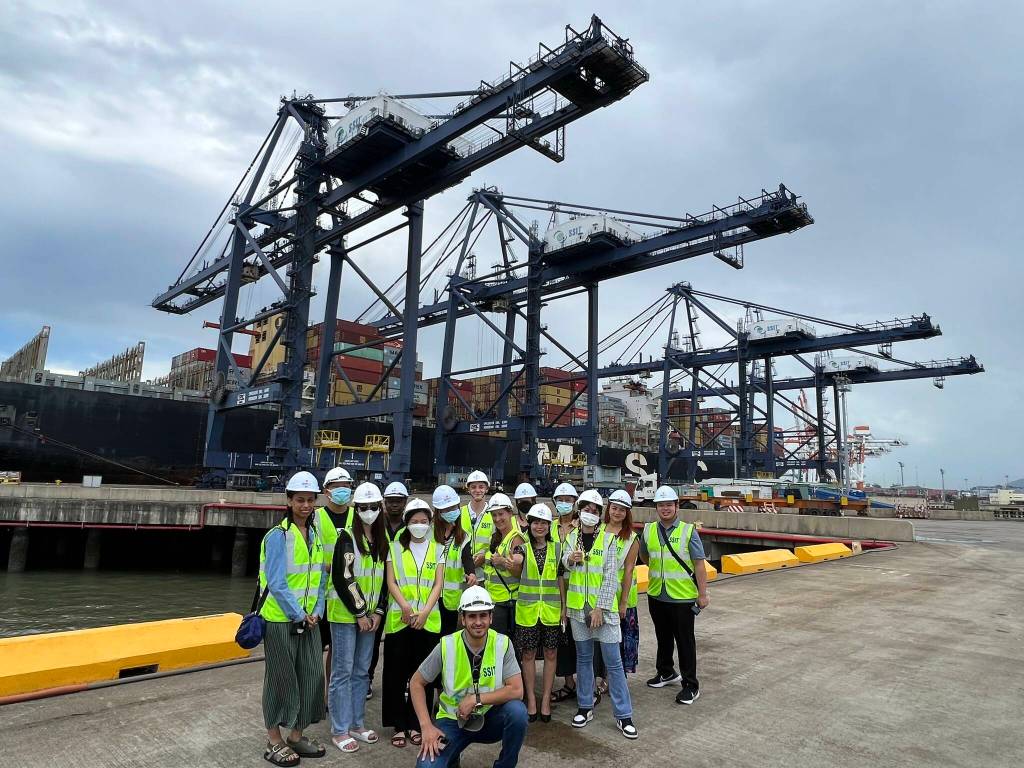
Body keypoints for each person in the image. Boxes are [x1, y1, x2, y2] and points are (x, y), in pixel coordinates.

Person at [410, 586, 527, 768]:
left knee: (518, 712)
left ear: (491, 617)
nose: (478, 622)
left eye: (483, 615)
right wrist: (426, 727)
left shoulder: (502, 643)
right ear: (462, 619)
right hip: (452, 721)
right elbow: (416, 682)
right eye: (472, 616)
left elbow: (517, 690)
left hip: (490, 718)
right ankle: (452, 755)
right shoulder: (447, 645)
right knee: (427, 766)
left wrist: (476, 699)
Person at [258, 471, 328, 766]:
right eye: (300, 500)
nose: (305, 505)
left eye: (310, 500)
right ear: (289, 500)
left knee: (312, 677)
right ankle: (274, 740)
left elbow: (321, 579)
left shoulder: (315, 536)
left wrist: (318, 611)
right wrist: (300, 614)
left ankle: (297, 736)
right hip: (279, 621)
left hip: (309, 620)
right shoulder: (278, 536)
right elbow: (276, 582)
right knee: (280, 679)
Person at [563, 489, 638, 739]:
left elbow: (610, 576)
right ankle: (585, 706)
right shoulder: (572, 536)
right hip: (576, 608)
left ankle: (623, 715)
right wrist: (569, 560)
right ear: (580, 511)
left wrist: (601, 608)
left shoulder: (608, 540)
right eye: (586, 510)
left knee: (613, 662)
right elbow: (564, 566)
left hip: (602, 610)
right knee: (583, 659)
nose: (590, 514)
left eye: (594, 511)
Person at [327, 481, 388, 753]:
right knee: (342, 672)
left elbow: (386, 580)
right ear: (356, 508)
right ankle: (339, 729)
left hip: (370, 617)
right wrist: (361, 611)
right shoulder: (346, 538)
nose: (369, 511)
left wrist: (377, 612)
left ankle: (356, 723)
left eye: (374, 507)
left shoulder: (382, 540)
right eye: (364, 507)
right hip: (345, 616)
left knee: (362, 672)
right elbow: (343, 577)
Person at [383, 498, 444, 749]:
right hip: (401, 619)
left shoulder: (438, 548)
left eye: (423, 521)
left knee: (424, 676)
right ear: (406, 523)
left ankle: (418, 722)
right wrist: (407, 607)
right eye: (414, 521)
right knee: (397, 673)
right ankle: (398, 724)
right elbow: (391, 582)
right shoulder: (394, 548)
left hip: (428, 622)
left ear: (430, 523)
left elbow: (438, 584)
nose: (419, 525)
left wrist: (426, 611)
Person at [640, 485, 710, 705]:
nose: (665, 509)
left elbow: (699, 564)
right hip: (656, 594)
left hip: (682, 597)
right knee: (663, 637)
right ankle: (666, 672)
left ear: (677, 506)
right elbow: (644, 555)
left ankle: (691, 685)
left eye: (669, 504)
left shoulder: (689, 531)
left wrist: (702, 594)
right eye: (661, 505)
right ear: (656, 508)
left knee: (685, 641)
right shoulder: (649, 529)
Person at [514, 503, 564, 723]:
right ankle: (532, 701)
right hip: (527, 611)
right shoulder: (521, 548)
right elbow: (515, 562)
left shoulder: (557, 548)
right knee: (528, 655)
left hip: (551, 611)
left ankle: (545, 700)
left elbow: (560, 578)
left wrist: (564, 607)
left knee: (551, 654)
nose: (540, 526)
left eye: (544, 523)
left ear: (549, 525)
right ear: (530, 524)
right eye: (536, 522)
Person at [367, 479, 410, 699]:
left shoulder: (410, 527)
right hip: (377, 590)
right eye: (390, 501)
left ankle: (403, 681)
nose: (394, 505)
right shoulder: (375, 524)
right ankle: (367, 679)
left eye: (398, 501)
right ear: (384, 503)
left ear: (405, 502)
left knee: (400, 642)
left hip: (401, 592)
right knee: (372, 640)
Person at [316, 467, 354, 660]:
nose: (342, 490)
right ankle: (315, 690)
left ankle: (331, 692)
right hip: (320, 596)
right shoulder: (315, 518)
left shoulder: (357, 516)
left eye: (345, 486)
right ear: (326, 491)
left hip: (347, 596)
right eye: (336, 486)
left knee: (338, 653)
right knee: (314, 650)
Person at [604, 489, 641, 675]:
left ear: (627, 513)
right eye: (614, 508)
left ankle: (616, 679)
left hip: (621, 598)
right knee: (604, 642)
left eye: (622, 510)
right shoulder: (598, 531)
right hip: (601, 596)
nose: (617, 512)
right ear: (608, 508)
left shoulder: (631, 538)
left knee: (621, 641)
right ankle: (604, 677)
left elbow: (628, 570)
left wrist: (623, 602)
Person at [433, 484, 479, 634]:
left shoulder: (463, 536)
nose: (451, 512)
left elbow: (467, 559)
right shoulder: (428, 534)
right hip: (429, 597)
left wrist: (471, 574)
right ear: (438, 511)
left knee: (446, 638)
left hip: (450, 600)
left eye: (454, 508)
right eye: (446, 509)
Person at [477, 493, 524, 637]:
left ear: (510, 512)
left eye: (501, 514)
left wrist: (503, 562)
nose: (497, 519)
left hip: (507, 602)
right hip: (494, 599)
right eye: (494, 515)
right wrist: (483, 559)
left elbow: (520, 573)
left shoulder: (516, 539)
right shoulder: (497, 536)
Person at [550, 482, 580, 704]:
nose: (564, 504)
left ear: (575, 502)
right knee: (563, 641)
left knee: (584, 640)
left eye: (568, 500)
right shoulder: (549, 527)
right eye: (560, 500)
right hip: (554, 590)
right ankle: (569, 683)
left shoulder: (584, 527)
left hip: (578, 589)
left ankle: (590, 684)